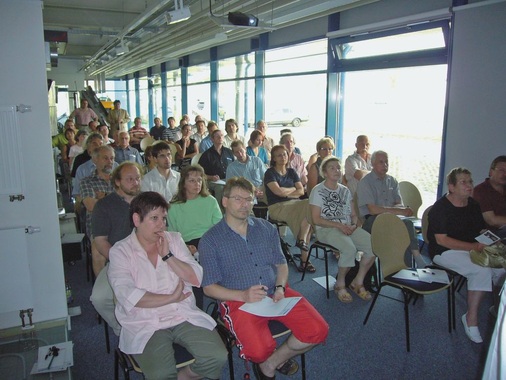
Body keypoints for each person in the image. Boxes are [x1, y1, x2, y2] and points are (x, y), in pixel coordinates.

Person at [199, 177, 329, 379]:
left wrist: (279, 287)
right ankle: (269, 359)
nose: (245, 205)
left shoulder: (266, 228)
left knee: (318, 330)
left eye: (249, 199)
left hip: (274, 292)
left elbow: (281, 263)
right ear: (224, 201)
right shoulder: (211, 240)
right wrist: (243, 295)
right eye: (238, 199)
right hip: (237, 301)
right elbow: (208, 288)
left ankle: (271, 364)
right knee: (258, 351)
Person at [108, 191, 227, 379]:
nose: (161, 224)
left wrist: (168, 256)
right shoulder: (120, 251)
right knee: (161, 374)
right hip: (145, 322)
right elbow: (127, 295)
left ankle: (185, 376)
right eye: (154, 218)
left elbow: (197, 277)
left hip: (181, 313)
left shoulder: (174, 239)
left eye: (163, 218)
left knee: (217, 356)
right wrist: (171, 297)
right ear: (137, 219)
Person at [427, 167, 506, 343]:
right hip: (445, 252)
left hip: (471, 248)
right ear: (452, 187)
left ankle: (498, 311)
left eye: (470, 181)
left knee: (500, 268)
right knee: (481, 271)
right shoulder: (440, 208)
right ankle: (471, 318)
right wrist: (473, 246)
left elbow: (479, 229)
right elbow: (442, 241)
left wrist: (492, 240)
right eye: (463, 182)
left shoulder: (473, 205)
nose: (469, 185)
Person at [309, 156, 376, 303]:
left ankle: (357, 282)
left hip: (346, 227)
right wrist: (340, 226)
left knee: (373, 246)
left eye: (338, 168)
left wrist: (354, 224)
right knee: (349, 249)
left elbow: (353, 215)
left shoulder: (345, 191)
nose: (337, 170)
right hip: (326, 229)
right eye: (332, 168)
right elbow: (316, 219)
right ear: (324, 173)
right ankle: (340, 284)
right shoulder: (318, 191)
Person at [91, 161, 143, 336]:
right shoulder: (104, 206)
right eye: (130, 179)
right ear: (118, 182)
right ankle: (121, 327)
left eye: (137, 178)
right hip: (118, 261)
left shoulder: (147, 201)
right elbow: (101, 242)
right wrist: (120, 262)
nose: (135, 182)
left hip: (148, 259)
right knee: (99, 298)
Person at [357, 150, 427, 268]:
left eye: (387, 162)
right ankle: (413, 262)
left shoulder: (392, 181)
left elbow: (398, 204)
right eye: (381, 162)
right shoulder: (365, 182)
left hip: (392, 218)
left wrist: (404, 209)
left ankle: (411, 263)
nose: (385, 165)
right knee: (403, 229)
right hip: (372, 221)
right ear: (373, 164)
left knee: (406, 225)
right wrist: (399, 211)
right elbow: (373, 210)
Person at [264, 145, 313, 272]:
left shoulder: (291, 172)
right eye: (279, 155)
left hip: (295, 204)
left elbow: (302, 191)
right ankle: (304, 258)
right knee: (307, 217)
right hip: (277, 207)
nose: (282, 157)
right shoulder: (270, 173)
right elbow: (278, 192)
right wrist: (293, 189)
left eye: (284, 154)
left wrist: (287, 191)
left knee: (308, 206)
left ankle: (302, 240)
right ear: (274, 158)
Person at [168, 165, 222, 256]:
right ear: (183, 184)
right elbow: (172, 234)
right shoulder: (174, 206)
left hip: (209, 240)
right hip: (187, 244)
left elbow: (219, 227)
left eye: (199, 180)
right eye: (192, 181)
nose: (197, 184)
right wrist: (185, 246)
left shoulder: (210, 201)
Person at [80, 145, 115, 236]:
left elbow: (128, 201)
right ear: (95, 160)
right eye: (105, 158)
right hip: (98, 229)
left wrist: (104, 196)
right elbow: (91, 205)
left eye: (112, 158)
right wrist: (116, 199)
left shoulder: (119, 180)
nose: (110, 162)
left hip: (119, 226)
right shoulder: (87, 182)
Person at [198, 129, 234, 207]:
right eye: (217, 136)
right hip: (213, 181)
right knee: (220, 188)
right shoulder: (206, 155)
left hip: (227, 179)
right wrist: (211, 177)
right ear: (212, 139)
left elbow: (234, 166)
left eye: (221, 136)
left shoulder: (229, 152)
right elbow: (199, 173)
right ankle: (218, 211)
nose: (220, 138)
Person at [473, 156, 506, 238]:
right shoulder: (480, 190)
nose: (505, 174)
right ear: (491, 172)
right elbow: (492, 220)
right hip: (486, 235)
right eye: (501, 170)